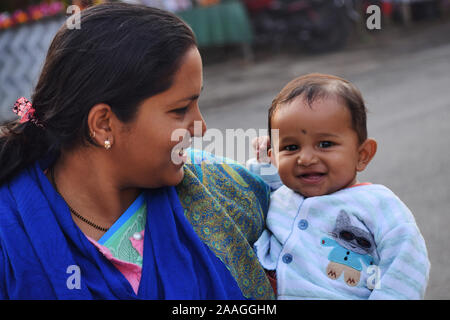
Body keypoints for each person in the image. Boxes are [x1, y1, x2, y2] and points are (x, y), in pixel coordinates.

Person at [0, 3, 274, 299]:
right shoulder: (11, 237)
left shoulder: (223, 188)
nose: (201, 127)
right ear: (104, 124)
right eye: (181, 109)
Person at [248, 73, 430, 299]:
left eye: (325, 144)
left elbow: (406, 265)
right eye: (291, 147)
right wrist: (264, 162)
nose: (305, 158)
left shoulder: (379, 204)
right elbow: (260, 181)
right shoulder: (281, 193)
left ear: (362, 155)